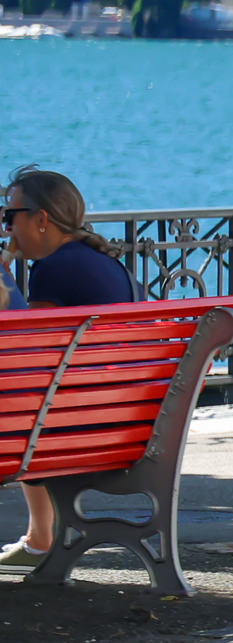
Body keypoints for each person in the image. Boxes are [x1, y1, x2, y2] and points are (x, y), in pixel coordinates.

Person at [3, 167, 135, 567]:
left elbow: (29, 359)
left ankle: (42, 538)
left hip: (69, 426)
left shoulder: (56, 269)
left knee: (23, 406)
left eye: (10, 216)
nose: (7, 229)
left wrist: (5, 293)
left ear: (41, 219)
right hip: (115, 422)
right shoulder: (104, 264)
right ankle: (40, 538)